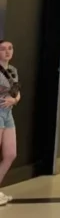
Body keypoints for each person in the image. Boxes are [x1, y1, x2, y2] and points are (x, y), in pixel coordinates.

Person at [0, 40, 20, 207]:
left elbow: (17, 92)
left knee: (10, 154)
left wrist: (14, 100)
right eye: (3, 49)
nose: (7, 52)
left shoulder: (13, 70)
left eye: (10, 48)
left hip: (9, 114)